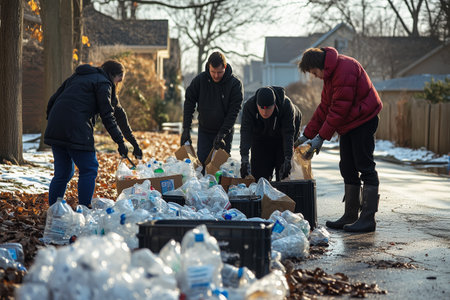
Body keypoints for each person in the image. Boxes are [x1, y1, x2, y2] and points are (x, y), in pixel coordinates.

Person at [296, 47, 382, 232]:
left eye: (313, 72)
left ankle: (368, 218)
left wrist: (320, 137)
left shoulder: (345, 69)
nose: (315, 76)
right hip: (350, 123)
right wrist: (306, 135)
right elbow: (325, 107)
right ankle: (350, 214)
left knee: (364, 165)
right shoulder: (330, 75)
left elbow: (339, 110)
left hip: (364, 120)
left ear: (318, 65)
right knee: (347, 167)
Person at [44, 60, 142, 207]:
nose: (118, 83)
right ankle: (84, 209)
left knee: (63, 173)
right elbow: (107, 116)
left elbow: (53, 99)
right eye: (119, 79)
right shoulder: (103, 83)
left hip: (55, 126)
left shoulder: (76, 77)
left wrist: (134, 143)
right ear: (112, 75)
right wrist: (120, 142)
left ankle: (53, 210)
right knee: (89, 168)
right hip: (77, 128)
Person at [181, 51, 243, 165]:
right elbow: (189, 102)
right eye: (213, 72)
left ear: (225, 67)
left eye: (219, 72)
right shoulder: (200, 80)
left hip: (224, 133)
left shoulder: (234, 84)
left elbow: (234, 112)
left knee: (220, 167)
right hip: (205, 130)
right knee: (203, 165)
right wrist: (186, 129)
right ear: (208, 67)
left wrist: (222, 134)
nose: (216, 75)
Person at [240, 86, 302, 181]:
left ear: (274, 105)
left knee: (283, 176)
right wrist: (244, 159)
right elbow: (245, 132)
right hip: (260, 138)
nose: (265, 112)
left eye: (268, 108)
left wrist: (288, 158)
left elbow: (288, 134)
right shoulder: (249, 107)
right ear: (257, 104)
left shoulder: (286, 106)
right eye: (261, 108)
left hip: (282, 138)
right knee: (259, 177)